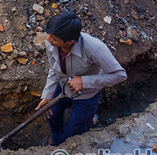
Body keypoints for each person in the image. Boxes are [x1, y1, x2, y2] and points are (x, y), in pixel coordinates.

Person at [36, 12, 127, 146]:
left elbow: (120, 75)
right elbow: (54, 69)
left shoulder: (95, 48)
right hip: (64, 88)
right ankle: (56, 140)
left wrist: (84, 82)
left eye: (53, 38)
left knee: (74, 130)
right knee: (53, 114)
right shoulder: (52, 44)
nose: (48, 39)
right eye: (49, 34)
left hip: (87, 96)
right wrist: (47, 95)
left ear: (70, 41)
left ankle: (66, 145)